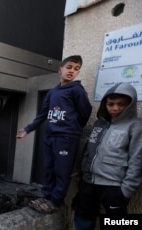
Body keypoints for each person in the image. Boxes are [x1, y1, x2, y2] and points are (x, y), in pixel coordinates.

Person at [16, 55, 92, 214]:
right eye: (69, 67)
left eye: (76, 69)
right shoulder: (52, 92)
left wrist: (73, 128)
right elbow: (43, 114)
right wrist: (28, 129)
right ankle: (47, 196)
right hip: (50, 137)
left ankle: (56, 201)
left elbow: (86, 112)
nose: (72, 71)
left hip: (66, 138)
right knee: (49, 168)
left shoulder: (76, 90)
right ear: (60, 70)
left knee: (62, 171)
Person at [72, 82, 142, 229]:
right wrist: (80, 168)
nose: (115, 108)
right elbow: (88, 147)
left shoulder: (136, 126)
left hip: (114, 187)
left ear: (130, 104)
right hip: (88, 183)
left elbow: (137, 159)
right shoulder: (100, 123)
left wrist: (126, 190)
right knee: (82, 218)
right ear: (105, 104)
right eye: (111, 104)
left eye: (121, 104)